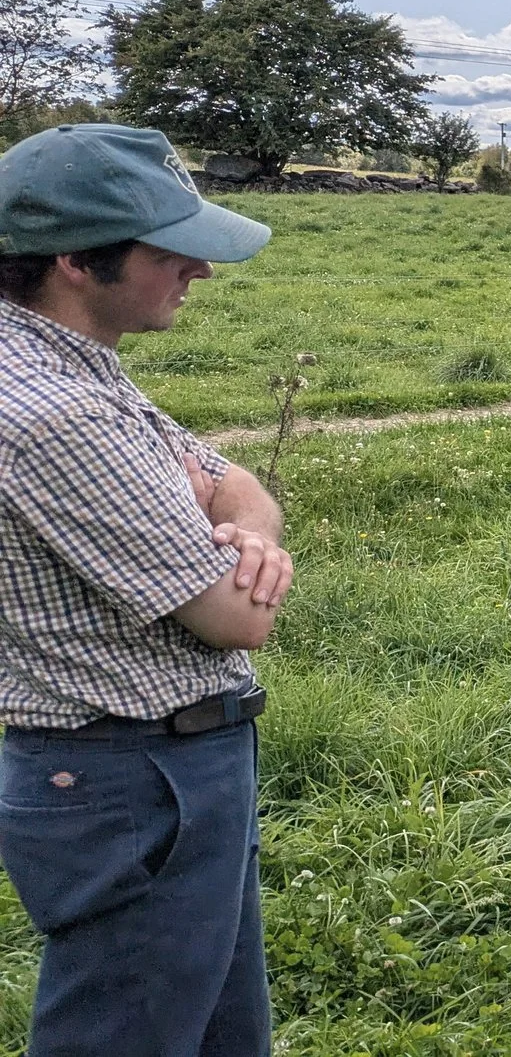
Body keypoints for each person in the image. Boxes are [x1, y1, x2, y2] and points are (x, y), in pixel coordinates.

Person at [0, 123, 291, 1057]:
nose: (199, 270)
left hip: (152, 765)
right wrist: (241, 542)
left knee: (209, 1031)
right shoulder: (57, 414)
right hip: (135, 779)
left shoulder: (70, 369)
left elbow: (233, 481)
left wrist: (241, 519)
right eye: (171, 248)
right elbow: (237, 615)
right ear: (76, 260)